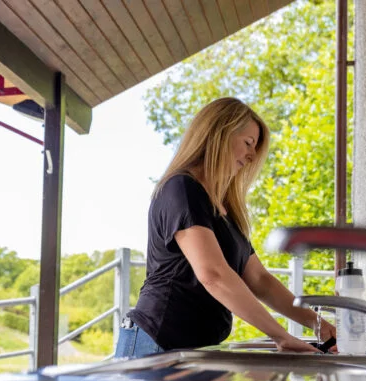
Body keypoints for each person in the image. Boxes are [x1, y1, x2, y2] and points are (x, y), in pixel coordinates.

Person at [116, 97, 337, 359]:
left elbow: (261, 281)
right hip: (156, 344)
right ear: (219, 135)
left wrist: (321, 326)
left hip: (192, 350)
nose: (252, 155)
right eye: (248, 143)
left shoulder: (224, 211)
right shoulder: (182, 189)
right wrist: (280, 336)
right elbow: (214, 275)